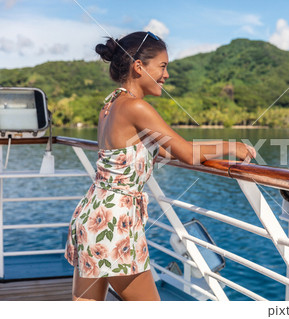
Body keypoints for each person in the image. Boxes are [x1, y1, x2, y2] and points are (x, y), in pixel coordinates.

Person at [64, 31, 256, 301]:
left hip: (93, 214)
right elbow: (188, 153)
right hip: (115, 223)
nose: (167, 75)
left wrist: (193, 149)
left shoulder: (110, 104)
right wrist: (232, 146)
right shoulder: (136, 107)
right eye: (163, 66)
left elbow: (166, 149)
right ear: (139, 67)